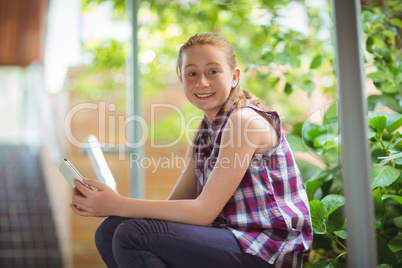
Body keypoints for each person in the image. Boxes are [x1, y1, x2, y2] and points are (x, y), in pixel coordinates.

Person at [70, 32, 312, 268]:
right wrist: (111, 205)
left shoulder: (244, 121)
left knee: (133, 234)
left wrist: (118, 204)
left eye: (213, 72)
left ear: (235, 77)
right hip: (231, 239)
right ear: (182, 79)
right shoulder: (205, 133)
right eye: (192, 73)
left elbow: (203, 213)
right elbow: (177, 205)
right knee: (110, 230)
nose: (202, 82)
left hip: (267, 249)